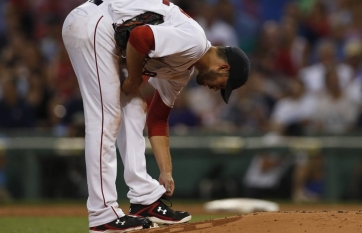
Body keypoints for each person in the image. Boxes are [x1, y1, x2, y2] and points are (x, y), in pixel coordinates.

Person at [61, 0, 250, 232]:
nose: (217, 89)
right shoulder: (194, 42)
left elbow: (158, 119)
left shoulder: (183, 71)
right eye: (223, 85)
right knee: (106, 119)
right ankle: (102, 214)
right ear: (224, 68)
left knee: (134, 107)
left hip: (106, 34)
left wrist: (166, 172)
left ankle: (144, 199)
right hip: (94, 24)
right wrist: (132, 80)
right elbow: (140, 37)